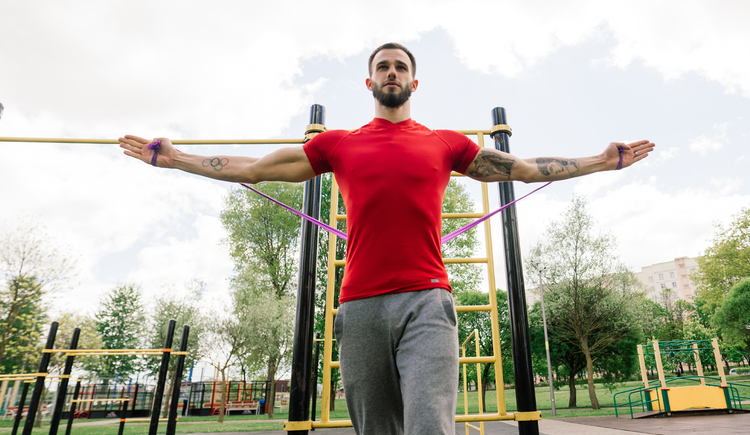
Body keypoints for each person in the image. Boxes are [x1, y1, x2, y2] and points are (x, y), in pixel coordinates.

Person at [120, 42, 654, 435]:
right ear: (370, 82)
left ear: (414, 83)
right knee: (376, 430)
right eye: (383, 67)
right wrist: (175, 159)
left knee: (428, 427)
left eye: (401, 67)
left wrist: (600, 163)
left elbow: (525, 167)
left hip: (427, 301)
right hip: (360, 307)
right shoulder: (338, 145)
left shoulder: (446, 144)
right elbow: (254, 168)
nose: (392, 72)